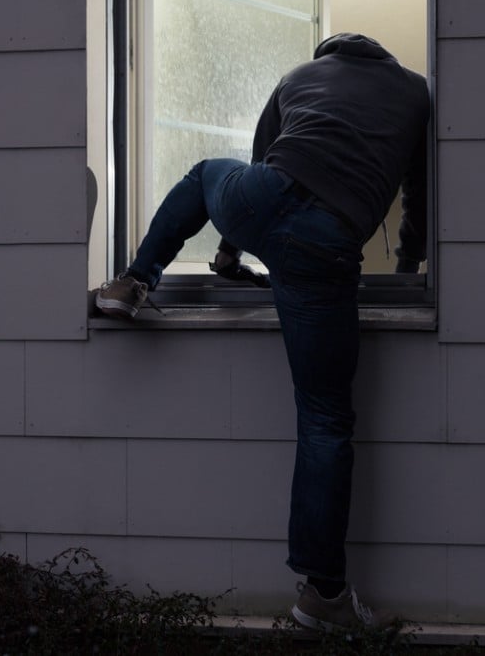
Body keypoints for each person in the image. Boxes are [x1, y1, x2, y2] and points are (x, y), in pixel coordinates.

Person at [96, 32, 429, 631]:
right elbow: (421, 199)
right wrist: (409, 272)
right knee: (326, 418)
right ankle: (323, 595)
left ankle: (132, 281)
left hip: (262, 199)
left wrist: (228, 252)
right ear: (382, 59)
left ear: (331, 55)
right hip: (326, 242)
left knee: (204, 173)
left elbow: (261, 159)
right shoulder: (416, 94)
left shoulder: (299, 76)